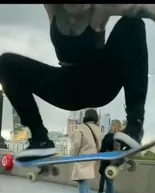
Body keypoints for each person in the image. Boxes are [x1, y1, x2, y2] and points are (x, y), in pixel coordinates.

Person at [0, 4, 149, 162]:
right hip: (66, 88)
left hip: (101, 84)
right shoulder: (52, 7)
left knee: (133, 22)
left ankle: (135, 125)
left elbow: (144, 8)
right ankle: (40, 140)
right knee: (6, 63)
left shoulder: (101, 8)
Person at [71, 109, 101, 193]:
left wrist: (75, 154)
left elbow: (77, 144)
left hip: (82, 156)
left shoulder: (82, 127)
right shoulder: (98, 129)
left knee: (80, 178)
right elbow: (99, 146)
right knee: (83, 179)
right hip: (92, 157)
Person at [99, 120, 122, 193]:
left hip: (108, 163)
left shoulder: (109, 137)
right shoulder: (121, 137)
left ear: (113, 126)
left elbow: (103, 149)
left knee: (109, 184)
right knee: (109, 183)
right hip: (115, 164)